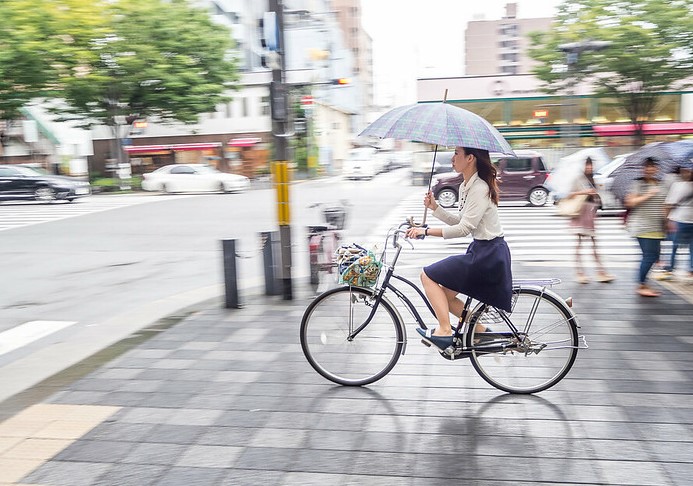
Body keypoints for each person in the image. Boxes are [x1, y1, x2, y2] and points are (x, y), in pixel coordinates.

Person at [405, 146, 513, 350]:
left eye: (456, 153)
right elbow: (461, 221)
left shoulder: (479, 188)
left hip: (488, 256)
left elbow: (464, 229)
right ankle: (479, 330)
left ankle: (445, 331)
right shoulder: (467, 186)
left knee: (427, 276)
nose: (453, 158)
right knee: (444, 296)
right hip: (480, 251)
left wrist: (426, 232)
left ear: (470, 158)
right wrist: (434, 208)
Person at [624, 157, 668, 297]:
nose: (650, 169)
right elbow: (630, 202)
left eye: (653, 166)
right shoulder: (639, 184)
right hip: (642, 225)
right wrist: (648, 194)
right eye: (647, 166)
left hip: (656, 226)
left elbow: (664, 204)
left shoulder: (660, 184)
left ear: (657, 168)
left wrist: (667, 220)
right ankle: (641, 284)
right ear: (643, 168)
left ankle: (643, 283)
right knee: (650, 256)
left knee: (653, 256)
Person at [567, 157, 615, 284]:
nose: (589, 168)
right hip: (581, 214)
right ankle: (580, 273)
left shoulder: (593, 179)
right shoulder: (579, 179)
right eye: (587, 165)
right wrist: (585, 192)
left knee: (594, 244)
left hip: (590, 214)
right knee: (580, 244)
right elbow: (570, 194)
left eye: (591, 165)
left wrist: (597, 196)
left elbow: (596, 195)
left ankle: (600, 272)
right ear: (584, 166)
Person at [662, 167, 693, 278]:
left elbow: (668, 204)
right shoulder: (677, 185)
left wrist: (666, 220)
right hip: (682, 220)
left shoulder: (678, 185)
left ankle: (673, 267)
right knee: (681, 245)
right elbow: (668, 204)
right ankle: (685, 269)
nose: (687, 173)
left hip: (682, 220)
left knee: (678, 245)